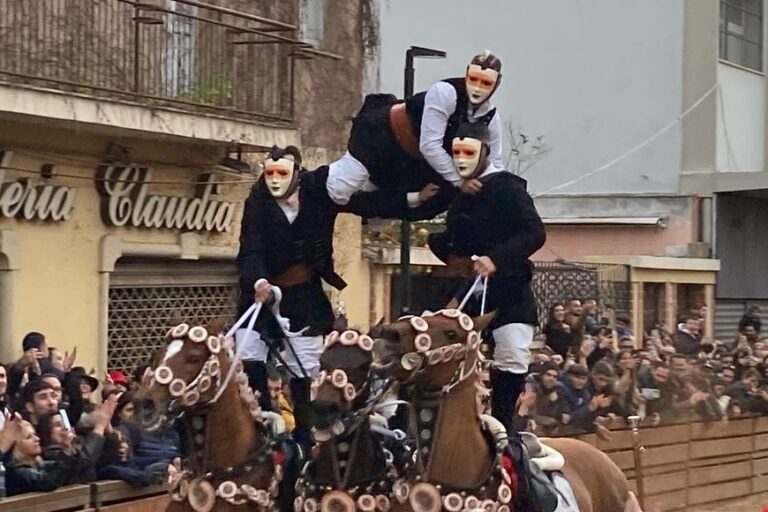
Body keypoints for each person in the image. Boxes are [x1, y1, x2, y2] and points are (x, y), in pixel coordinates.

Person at [428, 121, 546, 433]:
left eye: (468, 152)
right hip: (466, 291)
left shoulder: (506, 187)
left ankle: (506, 432)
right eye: (455, 153)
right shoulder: (458, 192)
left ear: (485, 152)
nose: (461, 159)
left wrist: (495, 259)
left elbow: (534, 232)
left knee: (512, 351)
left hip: (508, 292)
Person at [236, 146, 347, 451]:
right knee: (249, 354)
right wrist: (259, 280)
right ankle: (262, 426)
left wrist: (411, 199)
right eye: (269, 173)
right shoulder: (257, 202)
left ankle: (305, 438)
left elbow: (358, 197)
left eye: (281, 173)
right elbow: (251, 248)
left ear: (296, 173)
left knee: (305, 371)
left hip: (303, 296)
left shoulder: (316, 195)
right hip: (259, 293)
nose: (274, 179)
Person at [326, 51, 505, 220]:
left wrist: (495, 192)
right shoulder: (445, 93)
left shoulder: (491, 119)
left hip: (412, 162)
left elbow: (494, 163)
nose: (478, 89)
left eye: (486, 83)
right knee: (339, 190)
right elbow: (430, 145)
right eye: (474, 80)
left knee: (429, 204)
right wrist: (460, 181)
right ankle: (311, 185)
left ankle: (352, 201)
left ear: (497, 84)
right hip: (381, 137)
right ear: (467, 74)